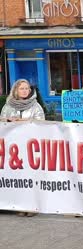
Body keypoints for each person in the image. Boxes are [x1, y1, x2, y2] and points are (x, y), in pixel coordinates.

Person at [1, 79, 45, 217]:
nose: (25, 91)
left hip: (30, 147)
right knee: (18, 177)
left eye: (27, 88)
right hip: (13, 148)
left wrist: (25, 122)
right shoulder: (8, 106)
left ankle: (32, 206)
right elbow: (1, 122)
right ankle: (20, 204)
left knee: (31, 176)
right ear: (16, 90)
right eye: (22, 88)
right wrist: (8, 121)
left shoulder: (35, 106)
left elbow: (41, 123)